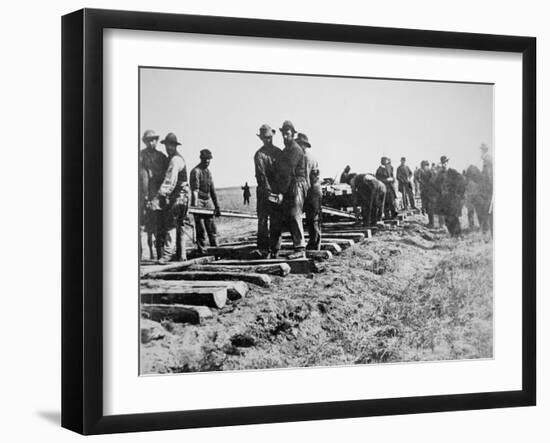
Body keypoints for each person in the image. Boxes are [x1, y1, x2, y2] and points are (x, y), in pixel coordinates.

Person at [271, 120, 308, 259]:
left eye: (288, 134)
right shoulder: (286, 150)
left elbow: (287, 172)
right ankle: (284, 247)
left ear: (293, 134)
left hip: (297, 183)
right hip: (290, 184)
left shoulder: (295, 149)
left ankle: (300, 248)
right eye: (283, 134)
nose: (285, 137)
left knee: (294, 214)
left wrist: (281, 192)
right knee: (288, 215)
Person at [151, 132, 189, 263]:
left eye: (171, 145)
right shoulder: (173, 158)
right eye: (167, 145)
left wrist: (159, 196)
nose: (168, 148)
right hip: (182, 196)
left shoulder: (175, 160)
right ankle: (182, 255)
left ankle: (167, 255)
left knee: (171, 224)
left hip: (179, 196)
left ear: (175, 146)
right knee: (180, 225)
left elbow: (169, 181)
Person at [252, 124, 283, 258]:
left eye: (270, 137)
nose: (268, 140)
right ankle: (263, 250)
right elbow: (261, 175)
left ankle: (275, 249)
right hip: (264, 193)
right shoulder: (259, 155)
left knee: (276, 220)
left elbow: (283, 174)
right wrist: (269, 192)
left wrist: (280, 191)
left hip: (277, 192)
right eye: (265, 138)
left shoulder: (279, 153)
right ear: (261, 139)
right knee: (263, 221)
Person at [139, 129, 168, 260]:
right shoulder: (141, 156)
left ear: (156, 141)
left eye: (154, 140)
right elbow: (142, 176)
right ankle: (142, 254)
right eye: (149, 140)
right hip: (145, 194)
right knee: (145, 225)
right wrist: (144, 196)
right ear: (145, 142)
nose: (152, 143)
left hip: (159, 194)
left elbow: (167, 175)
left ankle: (160, 254)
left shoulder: (161, 157)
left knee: (160, 225)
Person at [190, 149, 221, 254]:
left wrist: (217, 206)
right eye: (205, 159)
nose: (207, 161)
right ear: (201, 159)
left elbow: (212, 190)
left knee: (212, 228)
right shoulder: (196, 171)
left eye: (209, 159)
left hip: (207, 201)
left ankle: (216, 250)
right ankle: (202, 251)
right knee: (201, 229)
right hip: (198, 201)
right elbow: (195, 190)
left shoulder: (208, 172)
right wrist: (195, 208)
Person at [296, 132, 322, 250]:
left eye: (300, 144)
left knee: (312, 219)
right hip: (316, 189)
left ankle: (314, 244)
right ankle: (315, 243)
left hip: (311, 190)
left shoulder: (304, 157)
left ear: (304, 145)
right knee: (314, 218)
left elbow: (306, 178)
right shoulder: (312, 157)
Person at [433, 156, 466, 237]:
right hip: (444, 199)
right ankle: (453, 235)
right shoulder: (439, 173)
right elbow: (434, 184)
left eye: (445, 162)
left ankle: (458, 235)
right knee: (447, 218)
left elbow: (462, 179)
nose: (444, 164)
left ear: (447, 163)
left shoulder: (452, 171)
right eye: (442, 163)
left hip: (452, 199)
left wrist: (458, 192)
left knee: (454, 217)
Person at [417, 160, 436, 227]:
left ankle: (432, 223)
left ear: (427, 165)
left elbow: (433, 180)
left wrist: (427, 184)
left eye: (424, 165)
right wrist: (423, 183)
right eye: (422, 166)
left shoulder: (430, 172)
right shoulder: (420, 171)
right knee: (427, 207)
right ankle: (430, 222)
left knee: (430, 207)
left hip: (430, 192)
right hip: (424, 191)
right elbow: (418, 179)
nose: (423, 167)